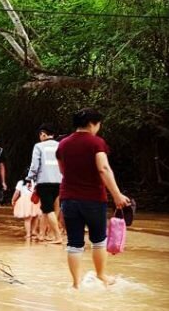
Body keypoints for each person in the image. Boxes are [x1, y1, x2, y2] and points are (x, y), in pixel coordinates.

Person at [56, 108, 131, 288]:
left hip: (69, 198)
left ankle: (76, 284)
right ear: (92, 124)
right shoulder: (96, 143)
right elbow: (103, 169)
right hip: (93, 199)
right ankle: (101, 276)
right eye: (98, 124)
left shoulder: (63, 144)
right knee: (98, 240)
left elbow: (62, 170)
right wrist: (117, 194)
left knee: (74, 243)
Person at [26, 124, 63, 243]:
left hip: (44, 181)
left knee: (47, 209)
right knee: (50, 208)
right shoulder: (60, 146)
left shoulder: (39, 146)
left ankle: (58, 236)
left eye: (40, 135)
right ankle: (45, 234)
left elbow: (35, 165)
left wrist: (29, 178)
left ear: (43, 134)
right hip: (58, 181)